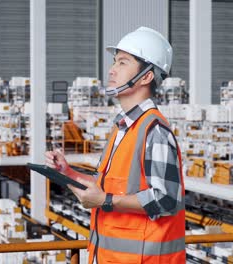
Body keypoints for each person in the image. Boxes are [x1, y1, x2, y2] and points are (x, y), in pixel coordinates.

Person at [45, 27, 185, 263]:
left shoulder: (154, 131)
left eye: (122, 63)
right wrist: (67, 173)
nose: (112, 70)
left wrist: (105, 201)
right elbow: (106, 188)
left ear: (147, 76)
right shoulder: (123, 128)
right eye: (114, 62)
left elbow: (166, 200)